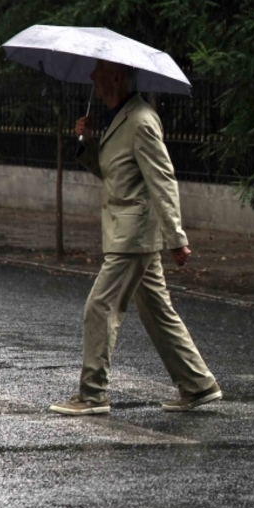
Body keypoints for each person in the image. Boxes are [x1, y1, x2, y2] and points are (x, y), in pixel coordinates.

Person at [49, 59, 222, 416]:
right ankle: (198, 384)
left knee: (100, 307)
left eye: (98, 72)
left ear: (117, 76)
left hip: (133, 235)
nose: (92, 78)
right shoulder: (119, 118)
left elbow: (162, 180)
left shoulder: (141, 120)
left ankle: (92, 394)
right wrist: (86, 141)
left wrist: (177, 237)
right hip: (128, 232)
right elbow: (113, 174)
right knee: (157, 312)